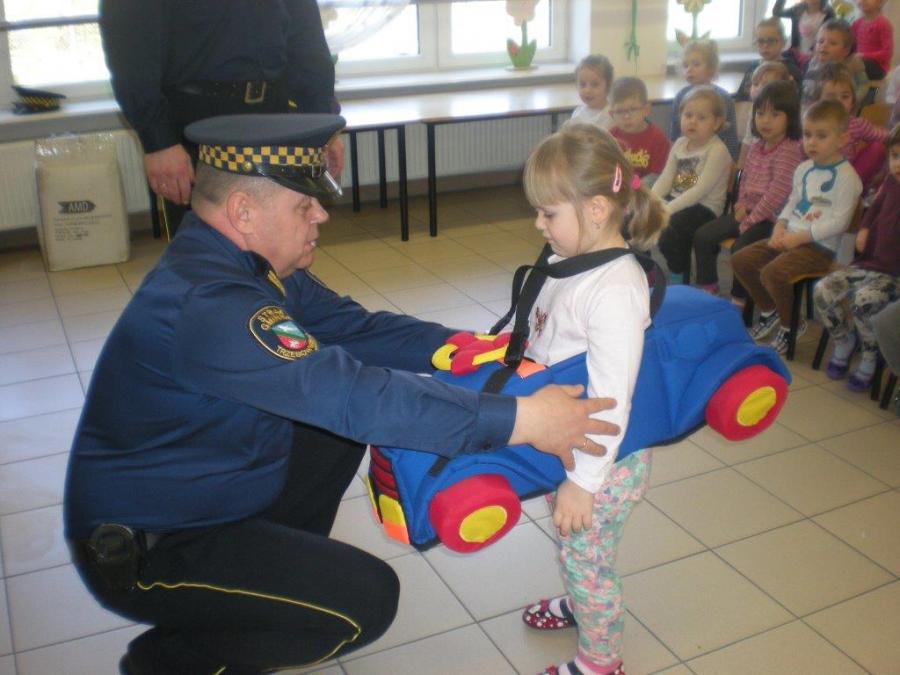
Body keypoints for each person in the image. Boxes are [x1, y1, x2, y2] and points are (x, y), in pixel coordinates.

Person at [63, 113, 620, 675]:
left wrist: (454, 346)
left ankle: (259, 595)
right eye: (303, 205)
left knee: (331, 437)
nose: (321, 214)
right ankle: (165, 663)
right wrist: (523, 419)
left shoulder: (237, 260)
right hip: (152, 544)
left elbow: (352, 327)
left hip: (207, 487)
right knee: (364, 601)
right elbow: (355, 396)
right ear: (243, 212)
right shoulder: (212, 305)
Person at [509, 123, 667, 675]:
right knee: (576, 548)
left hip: (602, 459)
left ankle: (601, 661)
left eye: (548, 213)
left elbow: (610, 400)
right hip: (570, 440)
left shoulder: (615, 290)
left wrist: (582, 482)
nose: (539, 224)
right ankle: (581, 605)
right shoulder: (572, 260)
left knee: (587, 560)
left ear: (596, 210)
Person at [98, 0, 344, 238]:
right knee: (206, 247)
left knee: (281, 242)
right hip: (197, 123)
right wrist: (159, 142)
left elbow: (307, 41)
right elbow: (130, 49)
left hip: (274, 115)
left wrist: (324, 127)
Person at [732, 99, 863, 355]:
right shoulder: (803, 168)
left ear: (843, 139)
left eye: (821, 136)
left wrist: (800, 237)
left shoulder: (848, 178)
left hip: (819, 248)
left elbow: (840, 222)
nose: (811, 142)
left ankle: (790, 324)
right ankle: (770, 310)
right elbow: (792, 202)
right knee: (741, 259)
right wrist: (780, 226)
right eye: (808, 135)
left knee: (773, 273)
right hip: (790, 238)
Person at [694, 81, 806, 299]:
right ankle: (709, 288)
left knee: (741, 251)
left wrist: (750, 219)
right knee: (703, 236)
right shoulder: (756, 145)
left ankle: (740, 299)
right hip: (748, 211)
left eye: (775, 114)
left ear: (790, 117)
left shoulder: (790, 150)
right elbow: (744, 178)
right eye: (760, 113)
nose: (765, 120)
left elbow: (776, 195)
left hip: (773, 220)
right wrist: (741, 204)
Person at [813, 123, 900, 390]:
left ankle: (871, 356)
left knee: (864, 301)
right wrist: (864, 228)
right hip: (870, 264)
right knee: (823, 290)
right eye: (895, 156)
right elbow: (874, 209)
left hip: (895, 276)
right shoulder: (891, 181)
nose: (898, 163)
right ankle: (844, 340)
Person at [654, 86, 733, 283]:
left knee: (669, 229)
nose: (692, 121)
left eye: (701, 117)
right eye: (688, 115)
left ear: (716, 123)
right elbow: (666, 178)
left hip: (704, 207)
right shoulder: (680, 144)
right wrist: (651, 201)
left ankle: (678, 273)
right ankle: (646, 268)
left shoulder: (717, 150)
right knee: (640, 218)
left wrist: (667, 209)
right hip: (679, 200)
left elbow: (700, 190)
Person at [815, 61, 889, 190]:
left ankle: (857, 190)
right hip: (817, 175)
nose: (839, 102)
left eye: (845, 97)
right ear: (819, 101)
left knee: (877, 148)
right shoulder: (813, 123)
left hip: (847, 177)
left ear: (852, 101)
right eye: (831, 97)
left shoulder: (856, 124)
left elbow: (885, 136)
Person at [668, 39, 740, 160]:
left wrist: (732, 163)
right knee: (683, 173)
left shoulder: (723, 98)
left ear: (711, 68)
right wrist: (672, 158)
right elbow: (674, 132)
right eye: (686, 65)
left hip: (714, 158)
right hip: (687, 156)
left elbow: (730, 136)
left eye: (696, 64)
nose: (689, 69)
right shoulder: (681, 96)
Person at [608, 77, 671, 187]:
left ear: (646, 110)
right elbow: (606, 167)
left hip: (645, 189)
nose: (626, 116)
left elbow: (657, 175)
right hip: (618, 186)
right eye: (619, 111)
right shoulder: (610, 137)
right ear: (612, 114)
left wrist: (633, 186)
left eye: (632, 109)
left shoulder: (658, 139)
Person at [736, 60, 796, 171]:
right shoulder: (753, 109)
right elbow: (748, 140)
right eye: (755, 84)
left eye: (765, 85)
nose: (758, 88)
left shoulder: (785, 111)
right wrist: (739, 168)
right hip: (756, 158)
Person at [801, 19, 869, 108]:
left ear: (846, 50)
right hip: (815, 109)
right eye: (821, 41)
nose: (824, 45)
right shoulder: (814, 63)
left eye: (833, 43)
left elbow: (864, 84)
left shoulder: (853, 63)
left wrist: (853, 98)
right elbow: (807, 88)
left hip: (844, 108)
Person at [735, 17, 803, 102]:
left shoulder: (791, 70)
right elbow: (741, 97)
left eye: (771, 41)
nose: (765, 45)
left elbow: (793, 102)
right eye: (760, 41)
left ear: (784, 42)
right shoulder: (753, 66)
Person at [569, 55, 615, 130]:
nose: (588, 90)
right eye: (583, 84)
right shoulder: (577, 113)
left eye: (595, 85)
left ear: (608, 86)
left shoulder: (613, 117)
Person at [851, 0, 894, 80]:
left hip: (877, 67)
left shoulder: (883, 24)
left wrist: (864, 55)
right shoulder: (857, 23)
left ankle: (866, 87)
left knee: (856, 64)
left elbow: (887, 53)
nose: (863, 1)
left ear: (879, 2)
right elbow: (851, 44)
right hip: (859, 62)